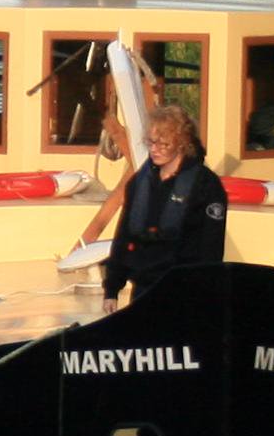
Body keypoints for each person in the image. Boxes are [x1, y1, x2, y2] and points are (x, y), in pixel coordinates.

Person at [76, 103, 227, 305]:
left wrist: (204, 294)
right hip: (144, 289)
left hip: (184, 291)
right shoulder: (139, 183)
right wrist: (112, 288)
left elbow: (212, 246)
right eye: (151, 143)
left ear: (181, 142)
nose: (154, 150)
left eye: (163, 144)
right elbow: (123, 236)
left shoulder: (207, 186)